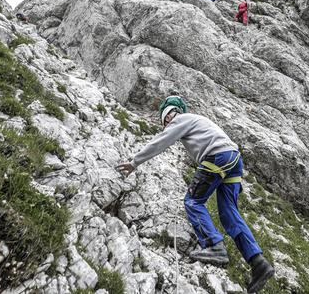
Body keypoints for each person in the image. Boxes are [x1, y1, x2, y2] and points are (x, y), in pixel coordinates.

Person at [116, 96, 275, 293]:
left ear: (168, 116)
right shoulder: (198, 122)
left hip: (218, 155)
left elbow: (161, 142)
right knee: (228, 213)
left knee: (193, 201)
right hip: (233, 159)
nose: (166, 124)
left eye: (165, 120)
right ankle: (258, 262)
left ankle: (214, 245)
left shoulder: (179, 119)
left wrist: (135, 162)